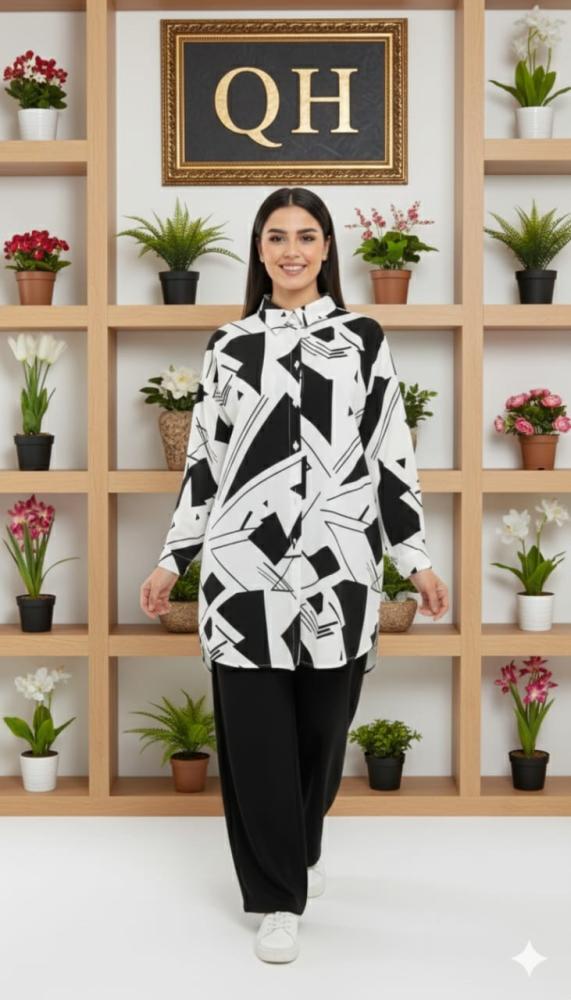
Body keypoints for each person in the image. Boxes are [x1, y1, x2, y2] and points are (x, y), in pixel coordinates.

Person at [140, 187, 449, 963]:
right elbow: (204, 466)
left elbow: (389, 453)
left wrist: (413, 557)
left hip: (340, 569)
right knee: (255, 743)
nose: (290, 250)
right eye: (276, 236)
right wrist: (173, 557)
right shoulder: (229, 345)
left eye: (305, 236)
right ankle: (277, 898)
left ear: (325, 249)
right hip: (242, 571)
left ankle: (299, 844)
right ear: (258, 249)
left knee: (321, 733)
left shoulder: (362, 339)